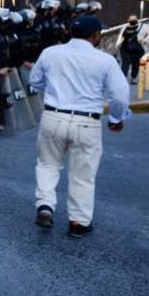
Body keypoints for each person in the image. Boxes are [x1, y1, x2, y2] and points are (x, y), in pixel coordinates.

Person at [29, 15, 130, 238]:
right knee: (83, 174)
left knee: (47, 165)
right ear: (96, 36)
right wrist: (116, 119)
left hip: (53, 117)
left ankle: (45, 206)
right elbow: (119, 95)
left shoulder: (50, 53)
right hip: (87, 122)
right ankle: (78, 222)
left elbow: (35, 81)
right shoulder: (105, 61)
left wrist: (56, 92)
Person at [115, 14, 149, 83]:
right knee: (125, 63)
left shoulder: (143, 26)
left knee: (135, 64)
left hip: (137, 49)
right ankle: (123, 79)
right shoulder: (124, 27)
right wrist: (117, 45)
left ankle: (134, 77)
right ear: (128, 20)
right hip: (125, 48)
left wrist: (145, 40)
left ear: (137, 20)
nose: (133, 21)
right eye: (131, 19)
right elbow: (120, 37)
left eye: (134, 19)